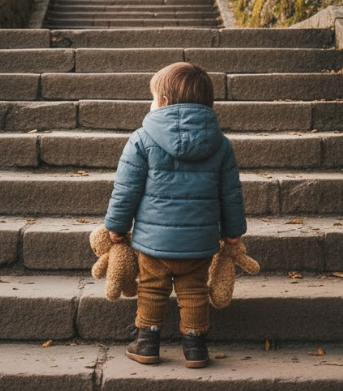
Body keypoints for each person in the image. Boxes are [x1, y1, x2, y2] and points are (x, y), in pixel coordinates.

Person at [104, 62, 247, 368]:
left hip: (152, 242)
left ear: (165, 102)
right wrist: (233, 232)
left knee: (152, 288)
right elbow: (231, 194)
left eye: (153, 97)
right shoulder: (221, 145)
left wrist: (116, 227)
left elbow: (125, 189)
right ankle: (195, 348)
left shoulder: (142, 139)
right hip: (200, 242)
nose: (150, 104)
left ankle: (146, 342)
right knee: (194, 290)